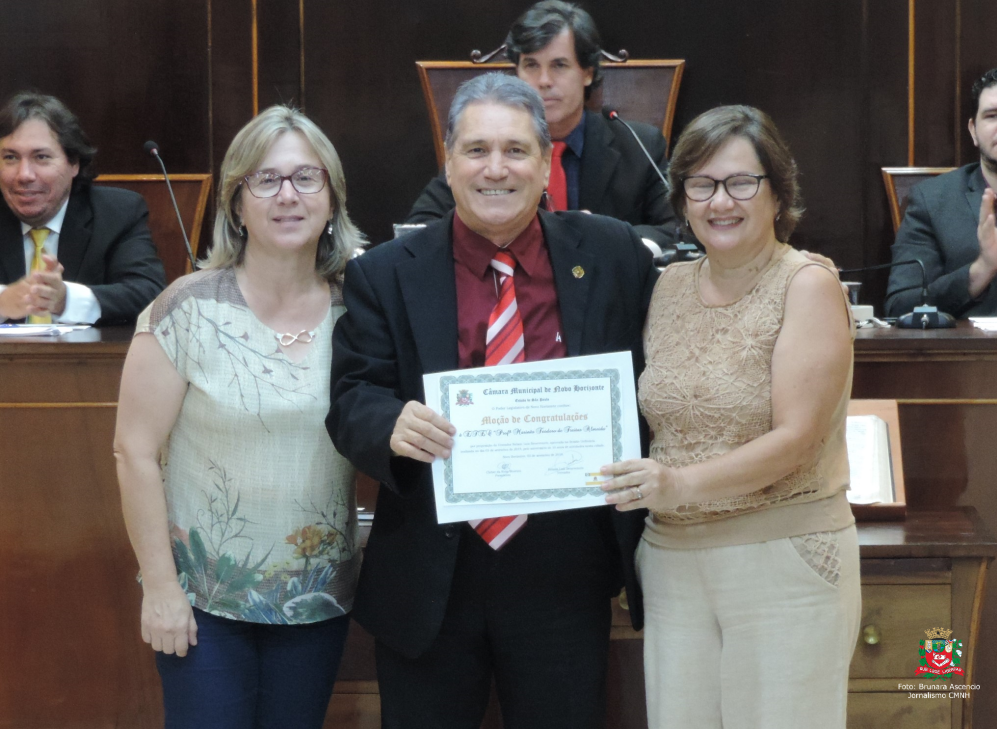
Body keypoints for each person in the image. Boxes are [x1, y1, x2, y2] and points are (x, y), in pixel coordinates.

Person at [328, 72, 657, 729]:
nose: (495, 169)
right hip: (430, 577)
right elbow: (350, 396)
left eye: (515, 150)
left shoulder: (616, 255)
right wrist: (390, 422)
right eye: (476, 150)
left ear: (545, 163)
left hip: (565, 572)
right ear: (447, 163)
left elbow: (657, 376)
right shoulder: (384, 271)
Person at [601, 106, 861, 729]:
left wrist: (677, 484)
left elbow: (796, 440)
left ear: (777, 193)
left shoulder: (807, 284)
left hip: (782, 559)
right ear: (682, 198)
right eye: (702, 183)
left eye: (742, 182)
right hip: (671, 564)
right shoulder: (664, 287)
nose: (722, 201)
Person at [114, 105, 366, 729]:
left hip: (316, 602)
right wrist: (162, 588)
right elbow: (134, 453)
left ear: (331, 200)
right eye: (266, 179)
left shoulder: (362, 310)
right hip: (203, 601)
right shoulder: (188, 309)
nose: (288, 196)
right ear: (236, 202)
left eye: (307, 178)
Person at [405, 0, 686, 254]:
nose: (543, 81)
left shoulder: (638, 144)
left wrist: (612, 242)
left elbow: (679, 227)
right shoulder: (484, 147)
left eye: (559, 65)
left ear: (587, 72)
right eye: (531, 65)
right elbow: (419, 227)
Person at [0, 92, 165, 323]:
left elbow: (149, 295)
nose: (24, 175)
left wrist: (65, 300)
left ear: (74, 163)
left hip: (88, 359)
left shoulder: (117, 213)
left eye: (41, 157)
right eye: (10, 157)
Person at [885, 67, 997, 317]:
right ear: (973, 130)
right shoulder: (933, 201)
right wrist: (982, 269)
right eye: (993, 115)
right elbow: (900, 306)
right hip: (969, 354)